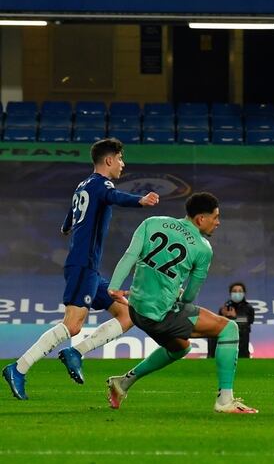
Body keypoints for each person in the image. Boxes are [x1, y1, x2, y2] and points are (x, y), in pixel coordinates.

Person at [2, 138, 159, 400]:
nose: (123, 163)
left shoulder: (83, 185)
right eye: (120, 158)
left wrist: (67, 226)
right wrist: (140, 200)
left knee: (127, 314)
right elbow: (113, 196)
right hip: (83, 266)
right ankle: (18, 368)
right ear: (108, 160)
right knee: (72, 325)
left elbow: (72, 216)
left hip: (89, 269)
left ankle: (76, 352)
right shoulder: (102, 184)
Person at [104, 192, 257, 414]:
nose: (218, 222)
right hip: (160, 315)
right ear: (200, 219)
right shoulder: (203, 248)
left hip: (136, 310)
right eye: (215, 217)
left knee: (179, 348)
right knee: (229, 329)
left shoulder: (152, 222)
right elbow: (190, 296)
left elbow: (129, 256)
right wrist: (179, 296)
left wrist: (114, 287)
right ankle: (225, 401)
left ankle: (122, 383)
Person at [208, 283, 255, 359]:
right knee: (212, 334)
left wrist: (235, 317)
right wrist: (223, 316)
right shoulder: (226, 307)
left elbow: (250, 321)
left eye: (240, 291)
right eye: (234, 291)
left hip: (242, 336)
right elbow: (219, 323)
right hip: (226, 334)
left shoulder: (248, 308)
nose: (237, 293)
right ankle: (212, 357)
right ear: (230, 293)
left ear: (244, 293)